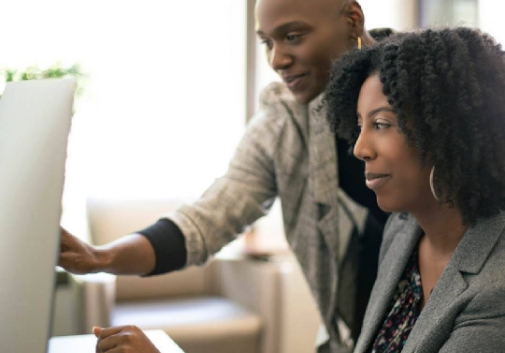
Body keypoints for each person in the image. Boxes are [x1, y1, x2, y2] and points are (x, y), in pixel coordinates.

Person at [60, 0, 391, 352]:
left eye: (293, 36)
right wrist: (100, 257)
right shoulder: (285, 122)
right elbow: (210, 218)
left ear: (352, 19)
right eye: (267, 42)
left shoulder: (426, 91)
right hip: (367, 313)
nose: (277, 60)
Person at [324, 27, 505, 352]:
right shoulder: (402, 231)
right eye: (359, 125)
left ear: (445, 133)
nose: (359, 148)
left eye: (380, 124)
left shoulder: (496, 287)